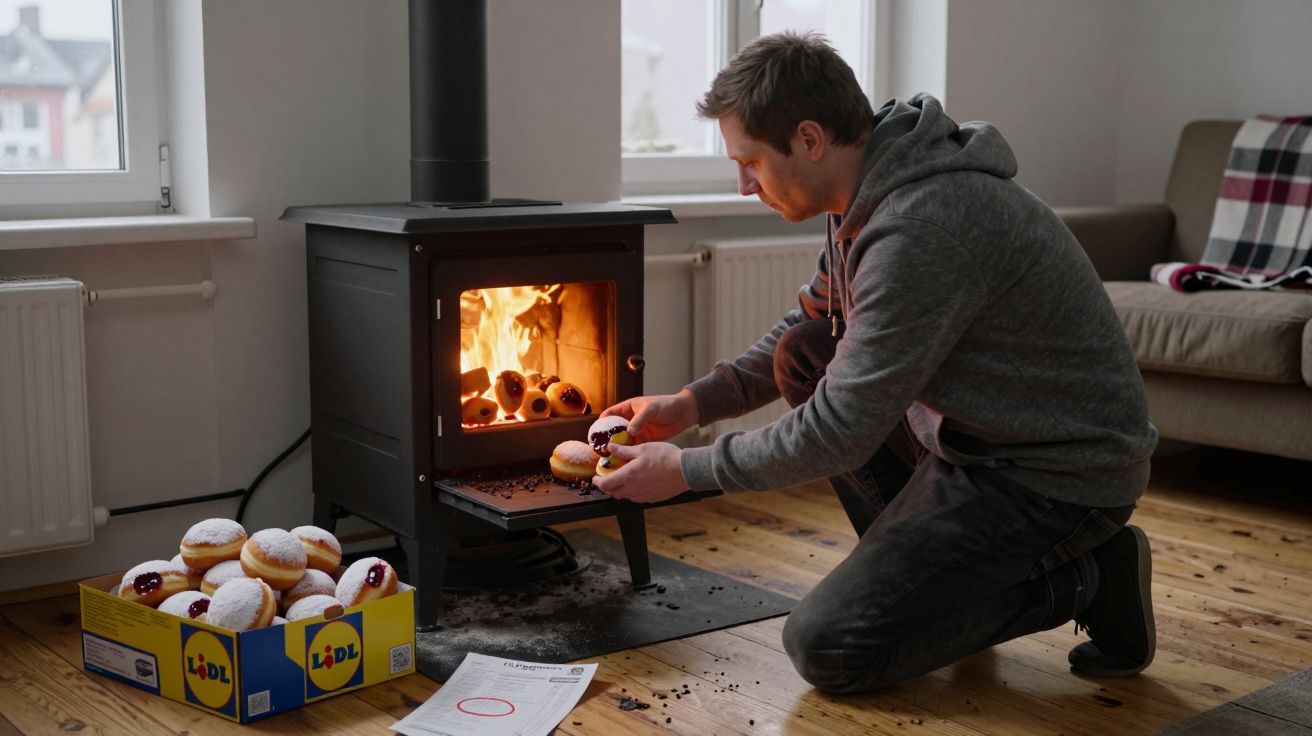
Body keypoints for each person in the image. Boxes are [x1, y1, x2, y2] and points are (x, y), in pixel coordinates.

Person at [592, 31, 1158, 693]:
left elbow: (840, 430)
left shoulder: (922, 225)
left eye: (750, 163)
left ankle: (1092, 578)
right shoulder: (866, 197)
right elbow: (811, 323)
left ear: (809, 139)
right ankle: (923, 586)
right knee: (805, 354)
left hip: (1057, 475)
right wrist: (691, 404)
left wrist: (689, 471)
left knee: (829, 647)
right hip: (978, 446)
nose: (744, 185)